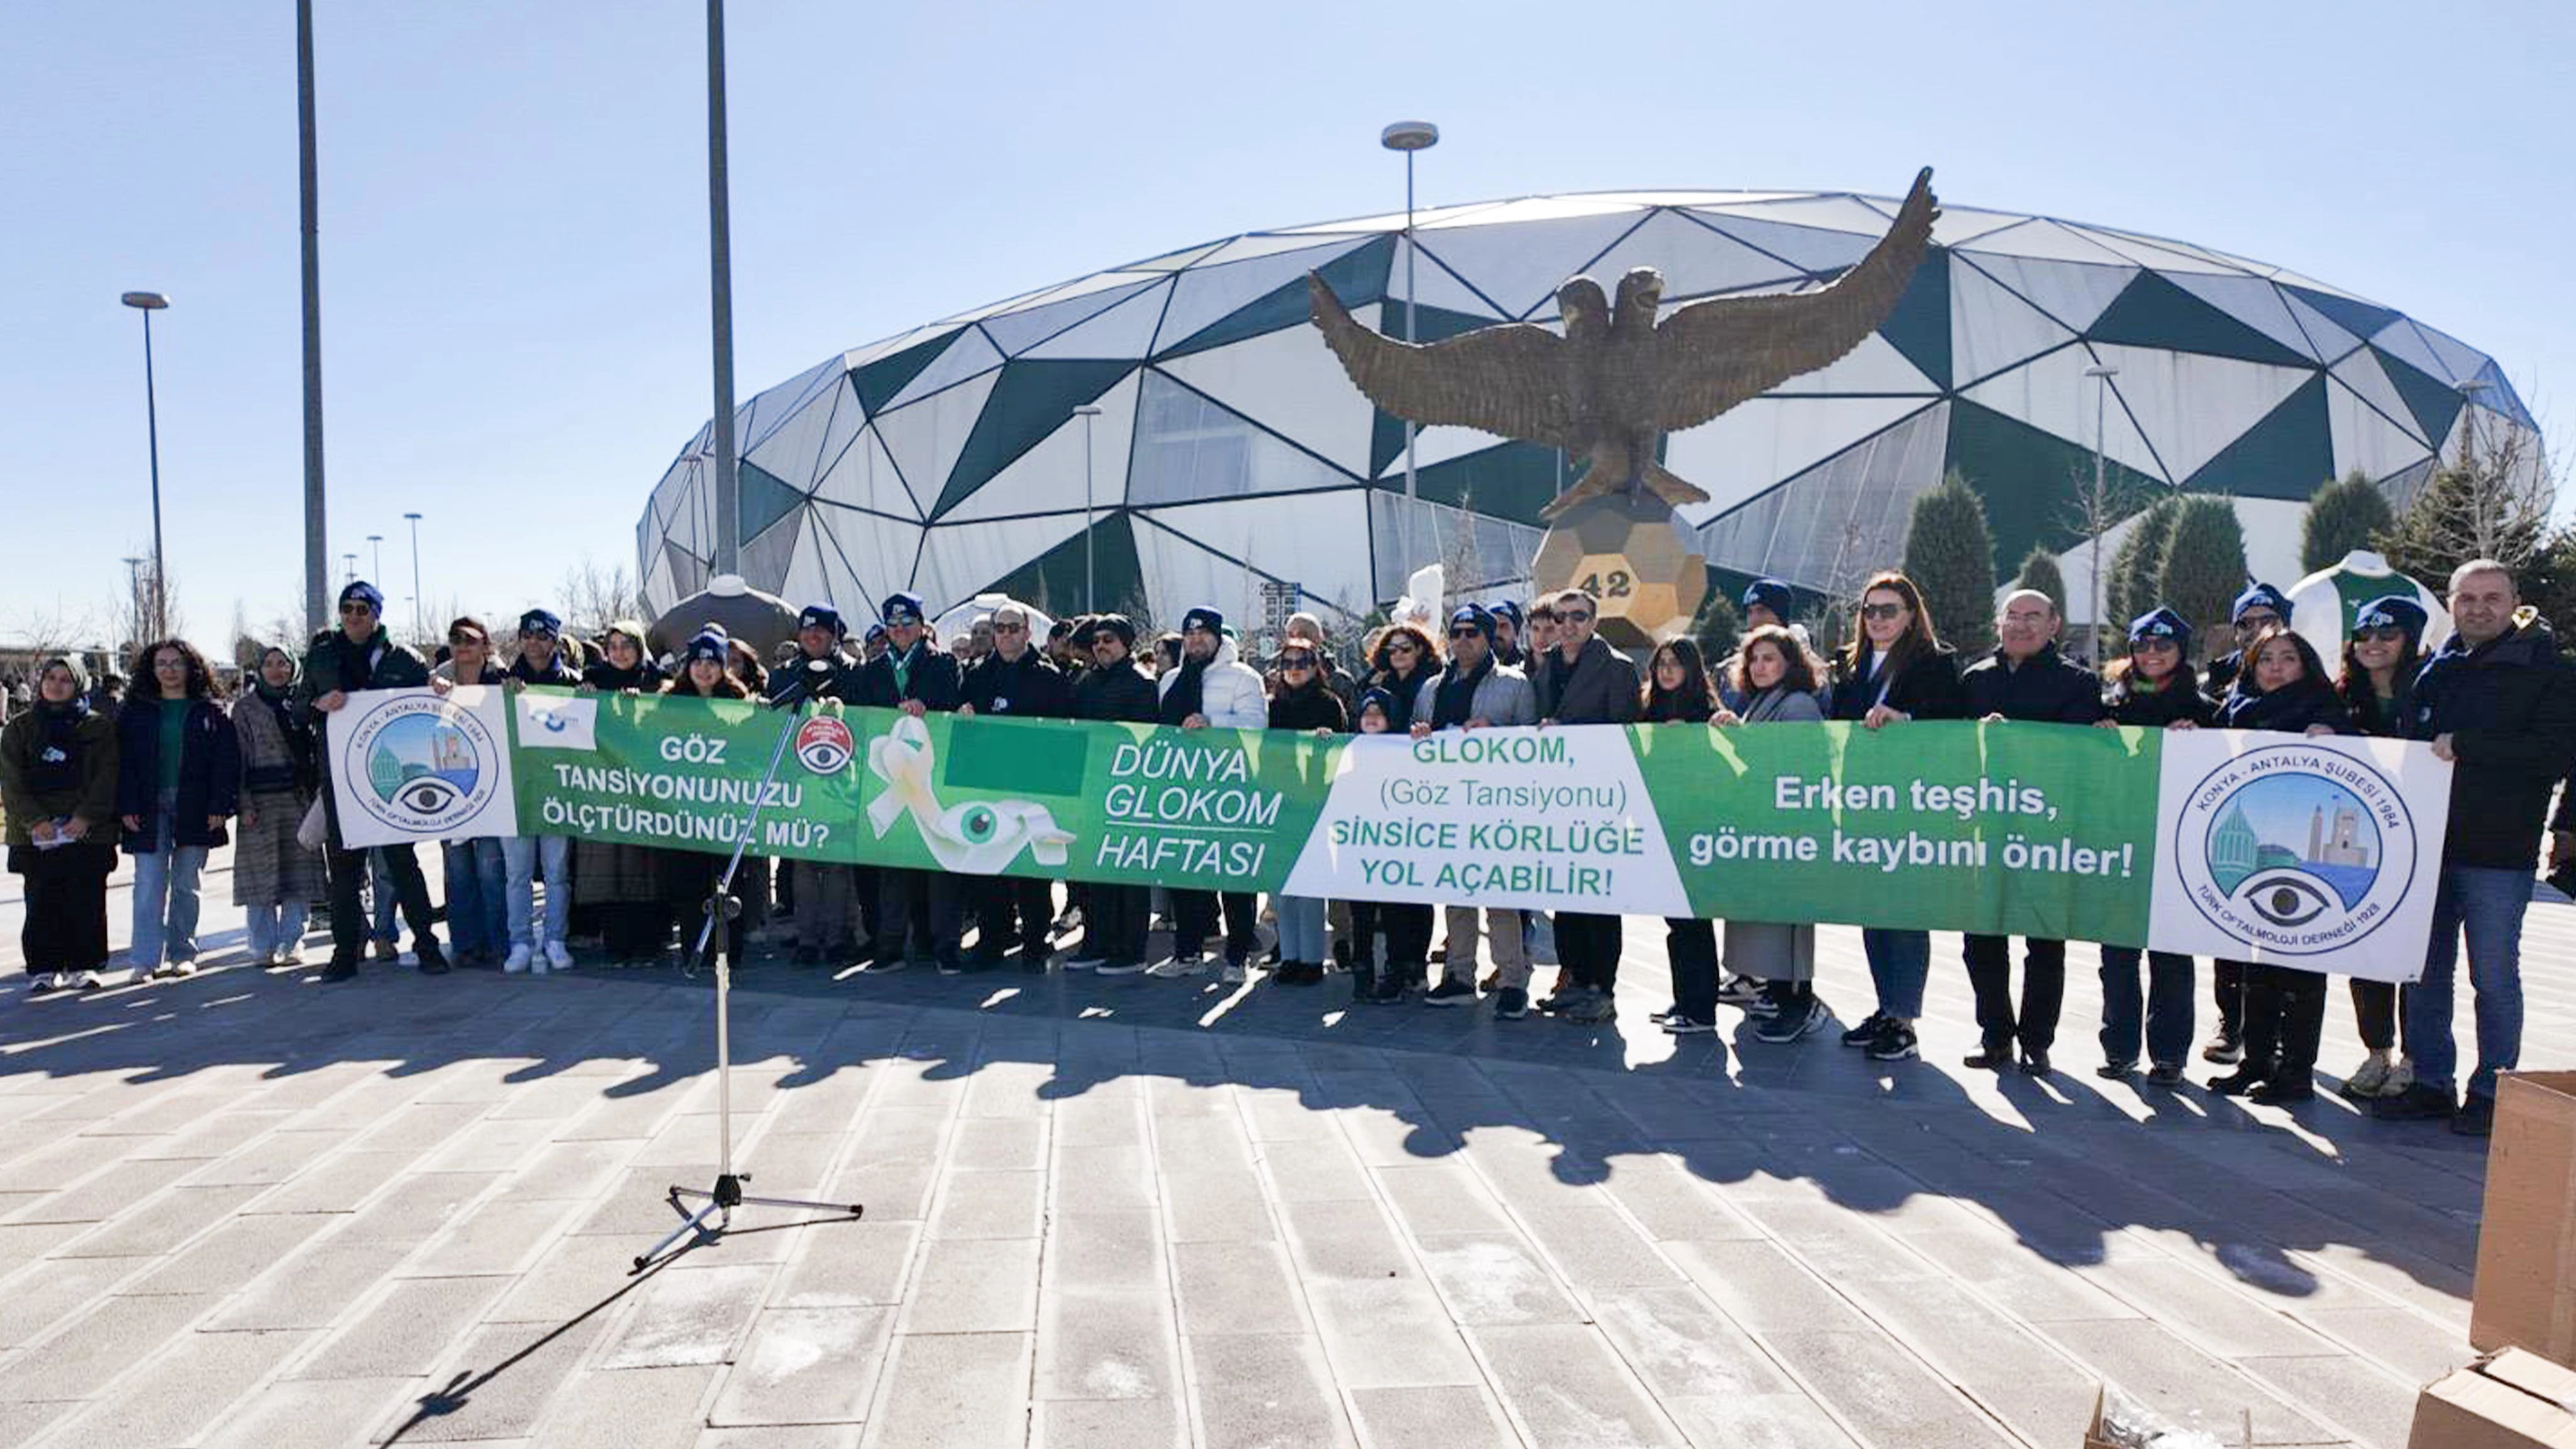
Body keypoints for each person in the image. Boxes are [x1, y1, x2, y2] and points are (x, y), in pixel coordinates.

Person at [2378, 560, 2576, 1135]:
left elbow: (2554, 754)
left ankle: (2493, 1090)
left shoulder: (2548, 669)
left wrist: (2468, 745)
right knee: (2424, 973)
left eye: (2492, 597)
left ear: (2515, 600)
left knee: (2492, 976)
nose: (2479, 608)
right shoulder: (2437, 668)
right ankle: (2431, 1083)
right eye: (2467, 598)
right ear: (2451, 603)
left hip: (2498, 850)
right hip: (2424, 847)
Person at [1955, 589, 2104, 1074]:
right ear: (1999, 623)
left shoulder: (2079, 683)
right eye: (2012, 616)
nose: (2020, 626)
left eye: (2033, 617)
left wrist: (2017, 738)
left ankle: (2037, 1041)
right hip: (1986, 825)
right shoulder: (1974, 679)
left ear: (2054, 625)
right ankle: (1994, 1034)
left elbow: (2078, 754)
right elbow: (1950, 745)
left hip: (2048, 829)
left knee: (2044, 940)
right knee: (1981, 937)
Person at [2207, 623, 2354, 1103]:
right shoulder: (2235, 711)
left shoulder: (2325, 709)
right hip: (2256, 858)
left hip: (2303, 861)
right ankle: (2256, 1062)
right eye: (2265, 658)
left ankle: (2295, 1072)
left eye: (2287, 657)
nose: (2275, 667)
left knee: (2302, 974)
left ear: (2306, 664)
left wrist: (2334, 735)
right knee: (2257, 971)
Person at [1829, 570, 1963, 1062]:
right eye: (1870, 610)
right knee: (1873, 910)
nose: (1878, 619)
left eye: (1889, 610)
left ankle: (1904, 1018)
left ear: (1911, 616)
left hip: (1911, 803)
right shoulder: (1847, 663)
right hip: (1861, 802)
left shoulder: (1936, 662)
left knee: (1904, 911)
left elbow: (1952, 726)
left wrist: (1906, 721)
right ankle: (1886, 1008)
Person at [301, 580, 446, 981]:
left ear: (377, 615)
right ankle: (345, 953)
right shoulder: (322, 657)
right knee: (345, 873)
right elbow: (297, 709)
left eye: (362, 609)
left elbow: (430, 703)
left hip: (391, 781)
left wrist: (439, 688)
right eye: (346, 608)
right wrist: (318, 704)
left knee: (403, 865)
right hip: (341, 779)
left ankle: (427, 946)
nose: (352, 616)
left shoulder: (404, 659)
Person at [2094, 608, 2214, 1084]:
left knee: (2171, 958)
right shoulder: (2112, 703)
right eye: (2143, 646)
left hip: (2177, 844)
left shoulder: (2202, 706)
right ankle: (2119, 1048)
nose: (2152, 655)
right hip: (2120, 838)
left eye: (2163, 646)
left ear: (2180, 651)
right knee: (2117, 956)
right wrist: (2096, 735)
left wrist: (2200, 739)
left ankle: (2169, 1054)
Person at [1408, 604, 1538, 1014]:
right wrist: (1420, 735)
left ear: (1487, 638)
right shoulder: (1431, 688)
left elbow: (1535, 745)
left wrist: (1497, 733)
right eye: (1457, 632)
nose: (1463, 640)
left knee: (1499, 896)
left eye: (1472, 633)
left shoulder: (1515, 684)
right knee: (1456, 894)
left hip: (1496, 807)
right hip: (1447, 805)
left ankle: (1513, 980)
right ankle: (1459, 975)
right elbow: (1414, 739)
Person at [1716, 626, 1833, 1043]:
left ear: (1790, 664)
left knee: (1789, 922)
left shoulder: (1798, 704)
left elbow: (1797, 768)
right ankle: (1780, 994)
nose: (1760, 667)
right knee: (1772, 918)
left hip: (1791, 829)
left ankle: (1798, 1003)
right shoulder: (1762, 702)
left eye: (1770, 659)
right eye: (1754, 659)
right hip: (1765, 827)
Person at [2331, 595, 2428, 1099]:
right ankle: (2377, 1053)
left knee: (2413, 956)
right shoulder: (2343, 696)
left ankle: (2415, 1058)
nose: (2373, 644)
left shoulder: (2433, 688)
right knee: (2367, 953)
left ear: (2410, 640)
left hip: (2423, 840)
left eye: (2387, 635)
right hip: (2363, 844)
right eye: (2365, 634)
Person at [1535, 586, 1641, 1023]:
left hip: (1601, 799)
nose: (1568, 625)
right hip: (1557, 799)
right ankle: (1575, 979)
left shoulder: (1617, 668)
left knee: (1599, 897)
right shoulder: (1545, 668)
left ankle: (1602, 987)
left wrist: (1569, 730)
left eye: (1578, 616)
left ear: (1594, 621)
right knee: (1565, 895)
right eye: (1560, 618)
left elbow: (1625, 731)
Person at [1153, 606, 1267, 984]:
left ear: (1218, 637)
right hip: (1183, 793)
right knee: (1185, 876)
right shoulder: (1171, 679)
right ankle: (1188, 953)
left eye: (1203, 633)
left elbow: (1256, 727)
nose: (1196, 640)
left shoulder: (1243, 678)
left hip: (1229, 792)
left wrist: (1213, 724)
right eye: (1189, 634)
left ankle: (1236, 958)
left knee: (1234, 878)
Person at [855, 591, 967, 974]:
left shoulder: (943, 663)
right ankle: (889, 947)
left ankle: (945, 946)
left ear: (921, 625)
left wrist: (927, 708)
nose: (900, 630)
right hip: (887, 780)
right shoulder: (871, 669)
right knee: (894, 869)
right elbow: (862, 715)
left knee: (941, 867)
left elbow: (951, 704)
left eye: (907, 623)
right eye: (894, 625)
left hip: (932, 780)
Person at [958, 601, 1072, 969]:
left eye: (1013, 628)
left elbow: (1062, 735)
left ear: (1027, 632)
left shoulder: (1049, 677)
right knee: (987, 867)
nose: (1006, 635)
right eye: (1000, 629)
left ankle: (1036, 942)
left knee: (1031, 872)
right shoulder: (974, 675)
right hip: (987, 785)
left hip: (1031, 787)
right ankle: (993, 939)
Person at [116, 640, 238, 981]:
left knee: (187, 884)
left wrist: (220, 806)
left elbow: (225, 763)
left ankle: (183, 953)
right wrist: (126, 804)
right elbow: (122, 763)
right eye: (161, 664)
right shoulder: (135, 711)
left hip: (195, 806)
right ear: (151, 670)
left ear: (191, 668)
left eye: (176, 663)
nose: (169, 670)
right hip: (147, 807)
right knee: (149, 883)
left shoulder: (210, 711)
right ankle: (144, 960)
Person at [3, 657, 119, 992]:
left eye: (65, 679)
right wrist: (35, 821)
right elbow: (11, 782)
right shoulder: (20, 728)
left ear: (79, 684)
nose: (56, 685)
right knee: (41, 900)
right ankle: (43, 967)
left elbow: (107, 776)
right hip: (36, 834)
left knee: (87, 899)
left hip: (87, 830)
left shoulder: (98, 727)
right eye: (51, 678)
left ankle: (85, 964)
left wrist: (85, 817)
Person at [578, 619, 677, 967]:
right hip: (606, 792)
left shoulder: (657, 683)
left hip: (646, 793)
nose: (620, 653)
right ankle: (616, 945)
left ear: (639, 648)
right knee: (610, 868)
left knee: (645, 868)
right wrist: (584, 698)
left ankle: (649, 944)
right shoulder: (594, 680)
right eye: (614, 646)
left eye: (627, 646)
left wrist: (647, 704)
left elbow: (669, 726)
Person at [1069, 616, 1160, 976]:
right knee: (1096, 872)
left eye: (1108, 639)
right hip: (1092, 790)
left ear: (1125, 643)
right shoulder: (1088, 682)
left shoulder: (1141, 683)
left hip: (1127, 792)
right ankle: (1098, 941)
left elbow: (1143, 737)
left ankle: (1131, 948)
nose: (1100, 645)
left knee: (1128, 877)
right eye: (1096, 640)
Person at [772, 603, 863, 964]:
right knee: (804, 864)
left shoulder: (854, 672)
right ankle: (808, 937)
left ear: (834, 634)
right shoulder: (784, 674)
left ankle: (840, 936)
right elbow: (771, 717)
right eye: (807, 630)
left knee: (841, 864)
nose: (813, 636)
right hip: (800, 779)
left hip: (843, 782)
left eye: (821, 631)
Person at [1640, 638, 1723, 1033]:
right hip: (1661, 825)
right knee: (1676, 923)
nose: (1667, 671)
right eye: (1661, 664)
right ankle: (1684, 999)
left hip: (1695, 828)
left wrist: (1694, 737)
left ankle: (1702, 1009)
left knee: (1694, 922)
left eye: (1676, 664)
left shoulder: (1706, 712)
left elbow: (1728, 767)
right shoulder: (1648, 710)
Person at [663, 629, 756, 970]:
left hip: (726, 811)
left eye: (712, 662)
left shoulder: (738, 703)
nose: (704, 669)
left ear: (722, 668)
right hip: (683, 814)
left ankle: (729, 952)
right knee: (689, 885)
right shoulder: (668, 704)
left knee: (727, 883)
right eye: (698, 662)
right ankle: (693, 949)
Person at [423, 618, 511, 967]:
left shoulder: (501, 679)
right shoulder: (435, 680)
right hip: (451, 785)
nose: (463, 646)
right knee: (457, 870)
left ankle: (497, 941)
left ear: (485, 645)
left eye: (471, 640)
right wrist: (431, 688)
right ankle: (464, 942)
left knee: (491, 869)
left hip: (493, 787)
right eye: (456, 639)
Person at [234, 644, 328, 969]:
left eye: (284, 663)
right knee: (260, 877)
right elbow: (239, 758)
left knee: (297, 874)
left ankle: (292, 941)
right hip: (259, 803)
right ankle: (261, 944)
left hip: (298, 798)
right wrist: (242, 802)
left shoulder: (301, 705)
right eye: (270, 664)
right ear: (259, 670)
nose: (277, 670)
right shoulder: (245, 709)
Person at [500, 608, 580, 974]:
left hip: (557, 793)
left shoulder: (574, 682)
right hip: (515, 792)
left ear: (555, 641)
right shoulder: (502, 681)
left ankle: (555, 938)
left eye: (543, 636)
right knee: (516, 874)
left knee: (556, 872)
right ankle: (520, 941)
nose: (534, 643)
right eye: (528, 636)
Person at [1265, 634, 1346, 985]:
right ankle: (1290, 956)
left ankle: (1313, 959)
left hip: (1315, 801)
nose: (1294, 670)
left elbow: (1343, 749)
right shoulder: (1272, 706)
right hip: (1279, 800)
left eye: (1302, 663)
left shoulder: (1329, 704)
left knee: (1310, 886)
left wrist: (1328, 741)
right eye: (1287, 664)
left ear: (1316, 668)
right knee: (1283, 887)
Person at [1345, 688, 1430, 1004]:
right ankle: (1362, 968)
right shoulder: (1349, 749)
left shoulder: (1404, 750)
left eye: (1378, 714)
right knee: (1362, 917)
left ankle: (1397, 970)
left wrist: (1422, 745)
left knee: (1395, 915)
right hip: (1358, 848)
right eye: (1366, 714)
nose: (1371, 720)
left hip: (1393, 849)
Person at [2201, 582, 2289, 710]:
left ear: (2286, 628)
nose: (2257, 630)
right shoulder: (2216, 682)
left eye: (2268, 622)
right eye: (2246, 624)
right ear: (2236, 634)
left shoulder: (2308, 676)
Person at [1363, 623, 1440, 733]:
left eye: (1405, 649)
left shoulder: (1433, 685)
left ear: (1419, 650)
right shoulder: (1377, 683)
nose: (1398, 654)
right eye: (1392, 650)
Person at [1490, 601, 1526, 669]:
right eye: (1492, 626)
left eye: (1503, 626)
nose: (1497, 632)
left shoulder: (1528, 666)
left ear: (1516, 633)